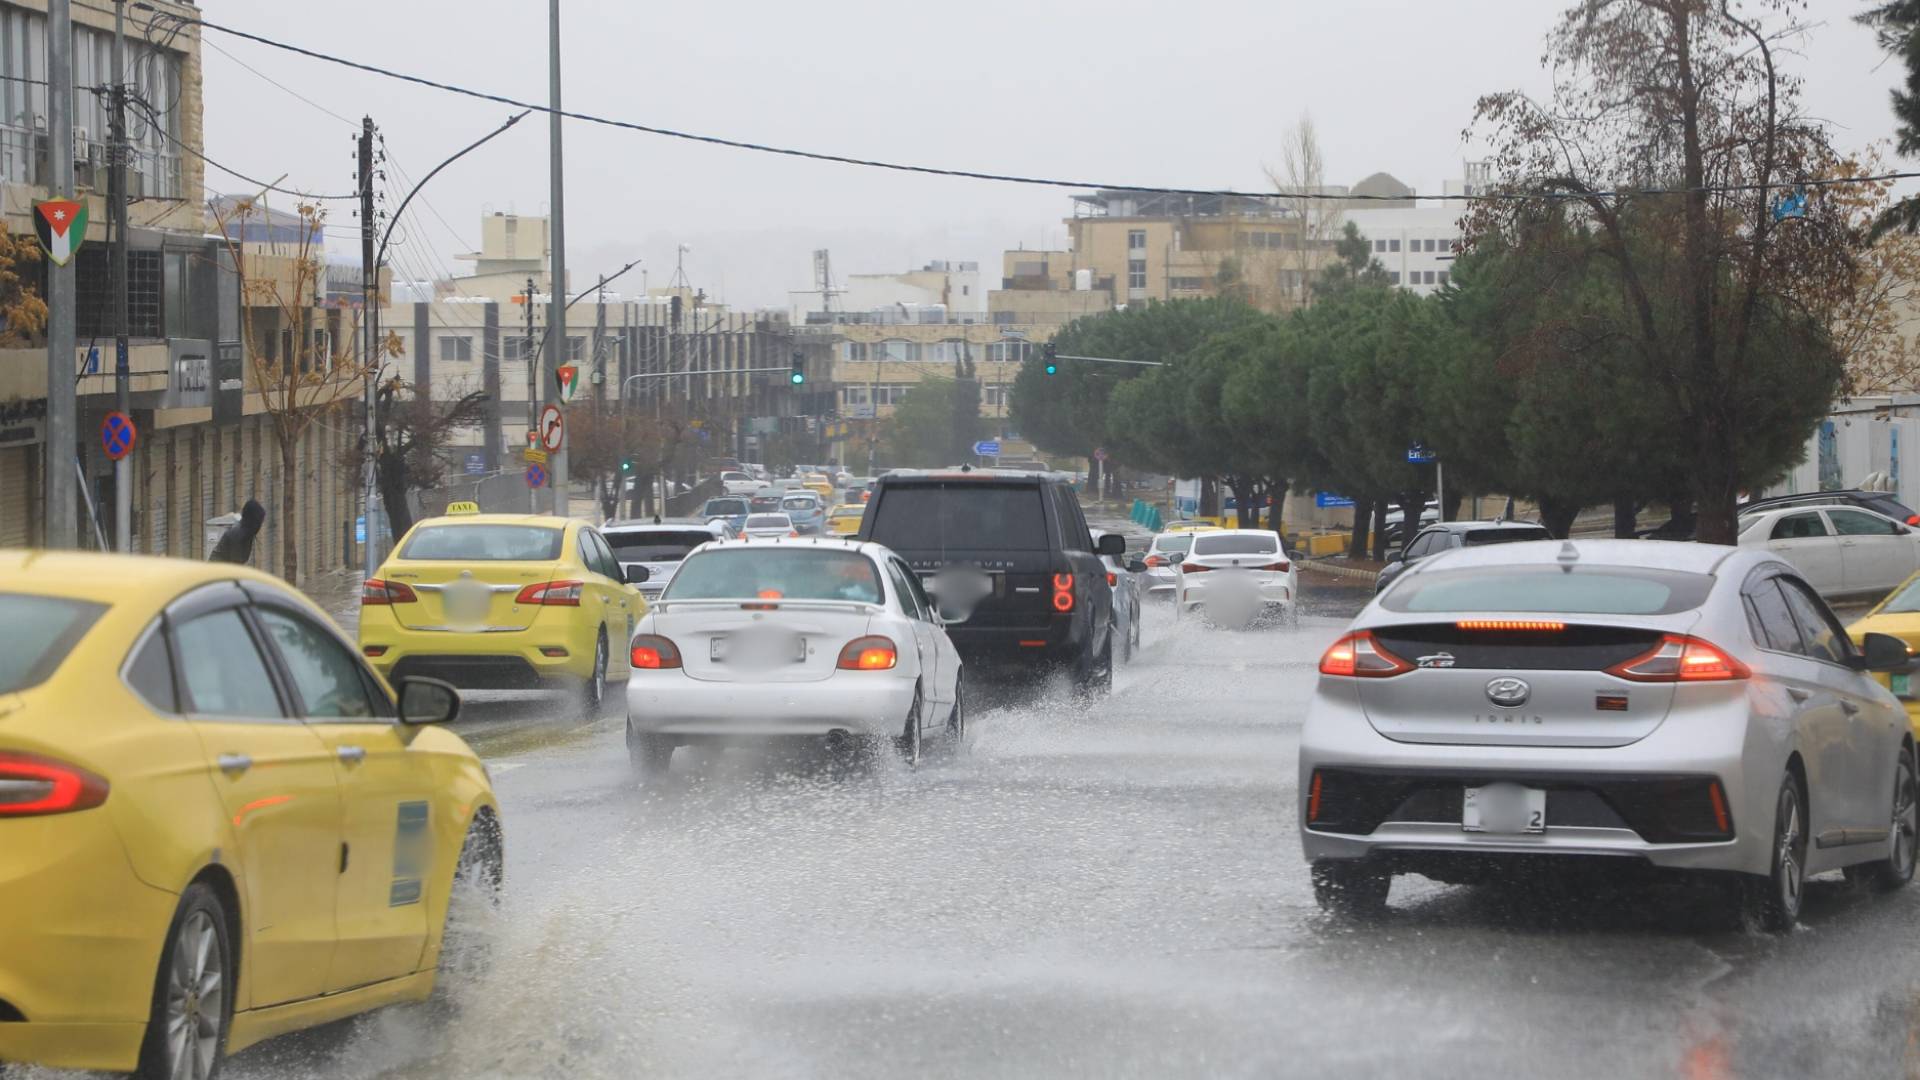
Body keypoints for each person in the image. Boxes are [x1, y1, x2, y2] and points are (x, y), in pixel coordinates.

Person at [209, 499, 265, 565]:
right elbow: (236, 565)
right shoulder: (237, 534)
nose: (259, 524)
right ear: (252, 519)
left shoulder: (247, 532)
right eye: (258, 521)